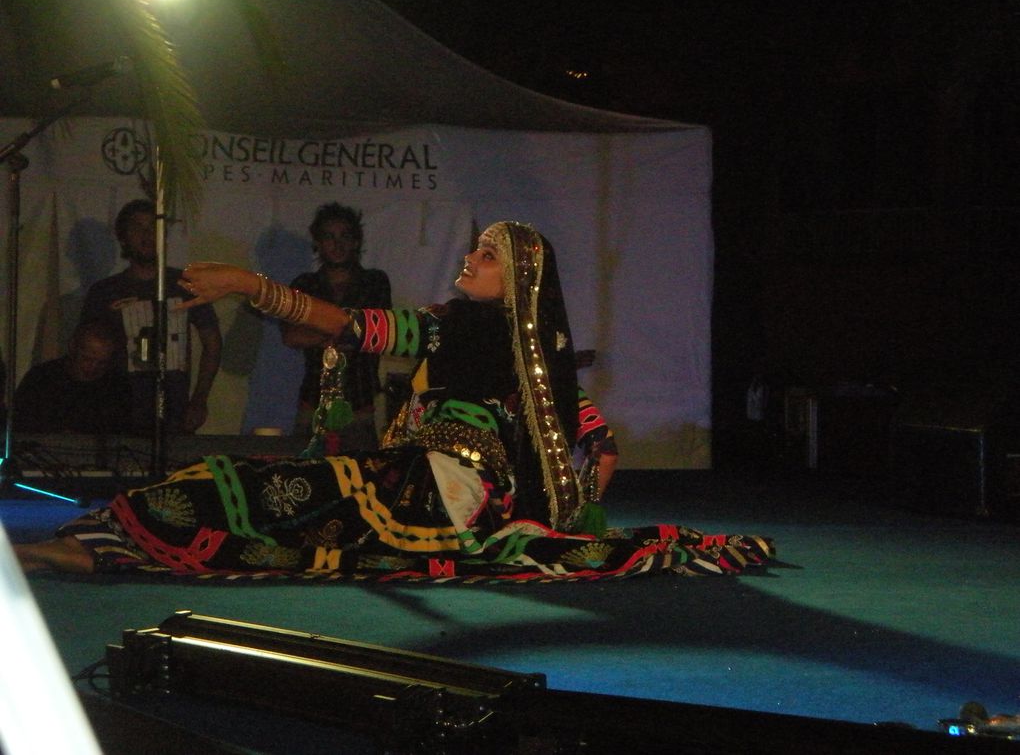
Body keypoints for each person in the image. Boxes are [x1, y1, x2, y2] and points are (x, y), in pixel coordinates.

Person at [15, 222, 774, 581]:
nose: (466, 263)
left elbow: (599, 445)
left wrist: (251, 286)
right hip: (410, 477)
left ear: (517, 278)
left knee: (261, 492)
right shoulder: (453, 328)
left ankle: (99, 551)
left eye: (484, 257)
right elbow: (359, 329)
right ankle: (102, 543)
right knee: (231, 483)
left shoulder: (526, 358)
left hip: (444, 491)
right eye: (471, 249)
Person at [80, 199, 222, 435]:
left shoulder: (185, 285)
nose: (147, 235)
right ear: (123, 237)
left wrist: (199, 398)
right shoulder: (104, 292)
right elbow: (85, 351)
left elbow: (212, 342)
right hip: (116, 411)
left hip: (174, 411)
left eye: (153, 228)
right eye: (138, 228)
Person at [283, 202, 391, 448]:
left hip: (360, 402)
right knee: (306, 479)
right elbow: (291, 336)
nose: (337, 244)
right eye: (329, 237)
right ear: (318, 243)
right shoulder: (305, 284)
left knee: (360, 481)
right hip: (313, 401)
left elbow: (372, 334)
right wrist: (342, 333)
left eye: (345, 236)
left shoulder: (374, 282)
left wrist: (321, 332)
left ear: (356, 242)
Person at [12, 320, 131, 435]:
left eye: (102, 363)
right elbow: (19, 424)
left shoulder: (116, 387)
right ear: (73, 347)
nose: (93, 367)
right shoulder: (42, 378)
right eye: (87, 359)